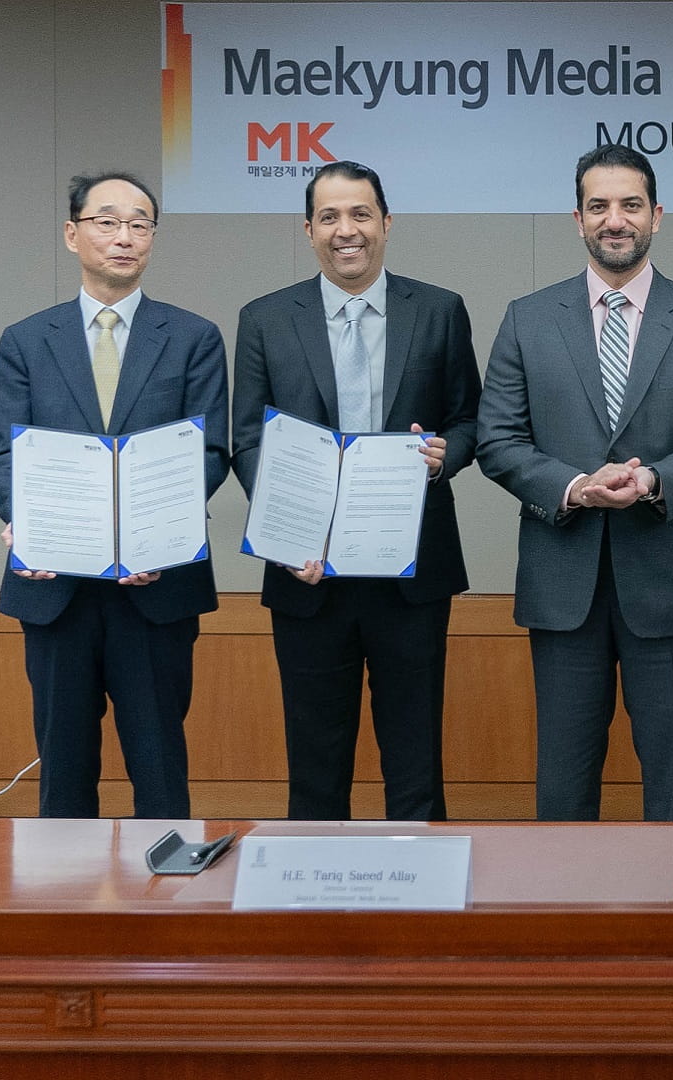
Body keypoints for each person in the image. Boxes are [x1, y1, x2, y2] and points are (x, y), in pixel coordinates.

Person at [476, 143, 673, 822]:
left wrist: (655, 478)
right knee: (564, 780)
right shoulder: (528, 318)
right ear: (578, 219)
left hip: (671, 580)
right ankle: (566, 894)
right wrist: (574, 486)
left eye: (631, 204)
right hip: (563, 580)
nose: (615, 219)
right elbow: (497, 440)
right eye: (598, 206)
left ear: (657, 214)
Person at [231, 160, 481, 821]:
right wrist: (285, 532)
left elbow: (470, 420)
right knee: (315, 767)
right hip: (306, 574)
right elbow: (248, 441)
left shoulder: (439, 310)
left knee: (416, 762)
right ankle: (314, 885)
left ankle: (421, 880)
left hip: (412, 574)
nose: (347, 230)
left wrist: (444, 456)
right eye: (330, 217)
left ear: (387, 224)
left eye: (361, 214)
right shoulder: (264, 319)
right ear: (308, 230)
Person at [0, 171, 228, 818]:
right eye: (107, 222)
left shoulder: (193, 337)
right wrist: (25, 521)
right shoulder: (27, 340)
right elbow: (5, 454)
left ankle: (169, 881)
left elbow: (209, 453)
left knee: (160, 767)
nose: (124, 237)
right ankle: (64, 887)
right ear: (73, 234)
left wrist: (158, 535)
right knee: (63, 772)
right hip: (55, 586)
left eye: (140, 224)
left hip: (157, 586)